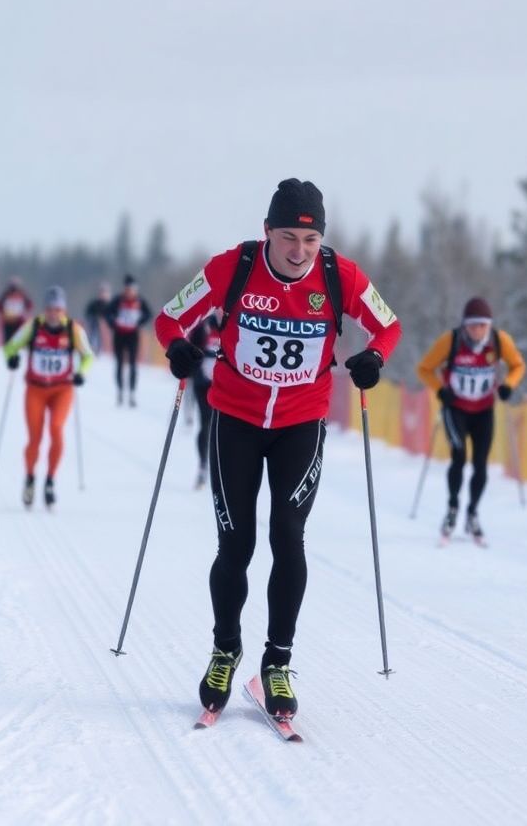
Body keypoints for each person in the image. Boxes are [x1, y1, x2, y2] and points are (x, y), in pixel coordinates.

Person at [155, 178, 401, 721]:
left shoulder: (341, 277)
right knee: (235, 542)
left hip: (301, 423)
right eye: (288, 237)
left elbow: (389, 325)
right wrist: (176, 346)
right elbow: (169, 317)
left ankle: (277, 663)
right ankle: (225, 650)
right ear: (267, 231)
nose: (298, 252)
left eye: (310, 242)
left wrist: (374, 359)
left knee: (288, 535)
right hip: (235, 420)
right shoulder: (232, 268)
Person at [416, 297, 526, 543]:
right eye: (473, 325)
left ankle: (472, 513)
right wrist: (440, 389)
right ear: (465, 325)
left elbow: (518, 365)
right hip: (455, 408)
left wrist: (509, 385)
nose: (478, 330)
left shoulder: (499, 341)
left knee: (480, 464)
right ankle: (452, 509)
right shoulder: (451, 340)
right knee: (459, 457)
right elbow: (424, 368)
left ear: (489, 326)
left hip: (484, 410)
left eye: (483, 325)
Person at [3, 286, 93, 509]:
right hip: (35, 390)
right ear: (46, 309)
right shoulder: (33, 326)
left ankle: (50, 480)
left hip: (62, 390)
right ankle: (30, 478)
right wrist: (11, 358)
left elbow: (88, 356)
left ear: (64, 309)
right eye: (51, 309)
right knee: (35, 438)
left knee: (56, 429)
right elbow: (10, 346)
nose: (54, 313)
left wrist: (81, 372)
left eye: (59, 309)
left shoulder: (73, 330)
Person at [106, 274, 152, 406]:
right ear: (124, 289)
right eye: (127, 290)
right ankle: (120, 391)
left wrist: (139, 322)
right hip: (119, 335)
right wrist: (113, 322)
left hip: (132, 336)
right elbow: (107, 313)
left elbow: (148, 314)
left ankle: (132, 393)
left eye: (131, 290)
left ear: (135, 290)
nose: (129, 292)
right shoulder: (118, 300)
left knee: (133, 364)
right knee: (120, 364)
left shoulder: (140, 301)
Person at [188, 314, 221, 488]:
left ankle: (223, 468)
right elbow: (191, 350)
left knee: (225, 428)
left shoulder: (235, 322)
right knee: (206, 423)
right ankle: (203, 465)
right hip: (203, 384)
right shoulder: (202, 327)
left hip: (226, 387)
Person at [0, 277, 34, 344]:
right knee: (8, 343)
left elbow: (30, 306)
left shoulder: (22, 295)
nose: (14, 290)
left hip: (18, 322)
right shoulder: (6, 295)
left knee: (18, 342)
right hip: (8, 323)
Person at [84, 281, 112, 354]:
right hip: (95, 327)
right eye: (102, 292)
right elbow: (88, 314)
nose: (103, 294)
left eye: (105, 292)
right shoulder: (94, 304)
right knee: (94, 336)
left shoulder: (111, 305)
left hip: (107, 331)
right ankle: (92, 348)